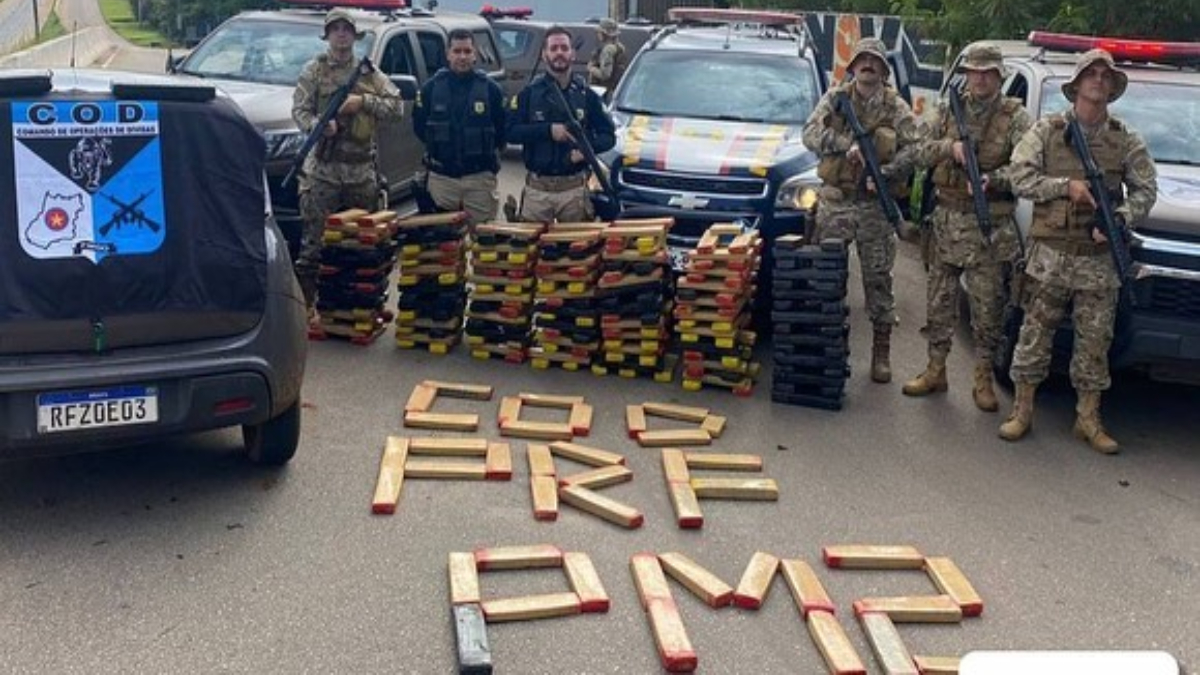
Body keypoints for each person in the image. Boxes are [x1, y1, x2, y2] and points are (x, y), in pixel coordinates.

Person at [1000, 49, 1157, 453]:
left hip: (1098, 261)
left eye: (1107, 76)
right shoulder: (1048, 131)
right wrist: (1063, 187)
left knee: (1094, 342)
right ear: (1078, 84)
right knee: (1034, 336)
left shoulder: (1125, 139)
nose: (1099, 81)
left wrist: (1119, 218)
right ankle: (1022, 411)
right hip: (1050, 255)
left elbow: (1145, 190)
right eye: (1092, 73)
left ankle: (1088, 418)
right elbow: (1019, 176)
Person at [903, 43, 1033, 411]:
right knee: (939, 302)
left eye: (987, 72)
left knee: (988, 310)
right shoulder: (946, 110)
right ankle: (935, 369)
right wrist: (949, 148)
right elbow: (914, 150)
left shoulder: (1016, 118)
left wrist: (995, 179)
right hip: (946, 221)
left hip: (989, 226)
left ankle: (983, 379)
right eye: (974, 71)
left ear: (999, 76)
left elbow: (1027, 171)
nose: (980, 78)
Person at [802, 37, 921, 383]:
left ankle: (880, 354)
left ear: (884, 70)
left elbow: (916, 150)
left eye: (875, 61)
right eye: (862, 60)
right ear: (852, 66)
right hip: (837, 201)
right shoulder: (837, 99)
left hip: (874, 207)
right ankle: (828, 347)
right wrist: (844, 146)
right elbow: (808, 133)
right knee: (827, 276)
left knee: (878, 279)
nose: (868, 65)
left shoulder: (895, 107)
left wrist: (885, 172)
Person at [291, 8, 403, 325]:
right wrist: (317, 124)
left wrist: (362, 102)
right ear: (327, 35)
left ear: (354, 35)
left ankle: (365, 306)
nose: (341, 34)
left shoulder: (369, 74)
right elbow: (299, 110)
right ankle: (306, 308)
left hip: (360, 174)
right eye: (335, 29)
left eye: (346, 29)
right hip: (323, 172)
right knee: (313, 247)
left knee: (366, 247)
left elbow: (396, 107)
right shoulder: (314, 70)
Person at [507, 25, 616, 223]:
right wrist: (547, 131)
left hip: (574, 191)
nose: (559, 53)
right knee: (531, 250)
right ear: (544, 55)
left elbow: (609, 136)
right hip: (537, 192)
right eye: (554, 48)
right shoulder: (529, 95)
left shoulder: (587, 96)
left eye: (564, 48)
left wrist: (586, 150)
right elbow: (510, 132)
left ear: (572, 54)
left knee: (577, 250)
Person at [412, 29, 507, 226]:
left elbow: (502, 131)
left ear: (475, 54)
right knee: (442, 244)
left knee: (484, 241)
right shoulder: (430, 89)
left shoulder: (491, 90)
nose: (462, 57)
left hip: (479, 179)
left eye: (467, 51)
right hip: (442, 179)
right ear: (448, 54)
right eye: (457, 51)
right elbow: (420, 128)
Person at [587, 18, 627, 98]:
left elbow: (605, 75)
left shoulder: (608, 50)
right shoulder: (620, 47)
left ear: (604, 34)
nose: (598, 35)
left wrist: (591, 68)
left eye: (599, 32)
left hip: (605, 91)